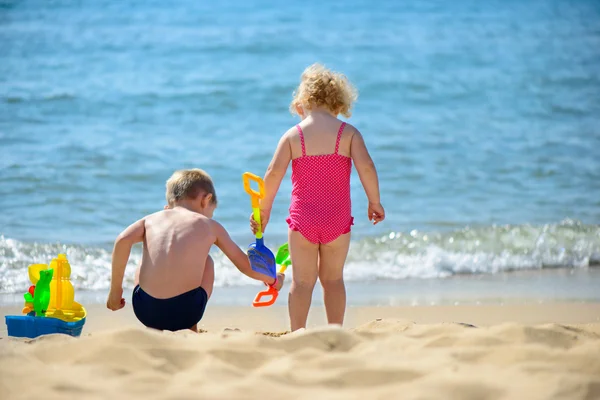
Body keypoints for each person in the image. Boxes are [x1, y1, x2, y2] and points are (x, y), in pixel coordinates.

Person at [250, 63, 384, 331]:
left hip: (303, 222)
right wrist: (374, 201)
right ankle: (335, 330)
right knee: (333, 280)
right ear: (338, 102)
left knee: (302, 282)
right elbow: (367, 167)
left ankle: (297, 331)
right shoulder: (348, 133)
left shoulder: (293, 136)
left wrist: (263, 212)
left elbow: (272, 174)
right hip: (337, 220)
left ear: (302, 102)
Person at [107, 168, 284, 332]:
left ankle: (154, 330)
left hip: (145, 310)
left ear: (170, 203)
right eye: (211, 211)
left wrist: (115, 292)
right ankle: (191, 329)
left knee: (147, 256)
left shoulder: (150, 220)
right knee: (207, 261)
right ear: (205, 199)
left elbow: (122, 240)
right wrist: (273, 280)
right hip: (186, 312)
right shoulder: (211, 226)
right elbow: (245, 265)